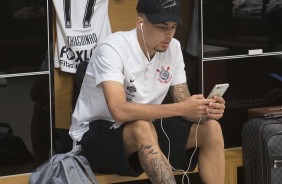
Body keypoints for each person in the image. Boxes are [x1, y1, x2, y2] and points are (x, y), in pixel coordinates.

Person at [70, 0, 226, 183]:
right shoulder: (112, 48)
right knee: (142, 127)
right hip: (94, 137)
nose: (169, 34)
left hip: (146, 130)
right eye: (162, 27)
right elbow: (119, 110)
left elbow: (183, 100)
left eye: (174, 27)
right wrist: (182, 108)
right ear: (140, 23)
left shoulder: (173, 48)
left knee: (211, 128)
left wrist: (204, 110)